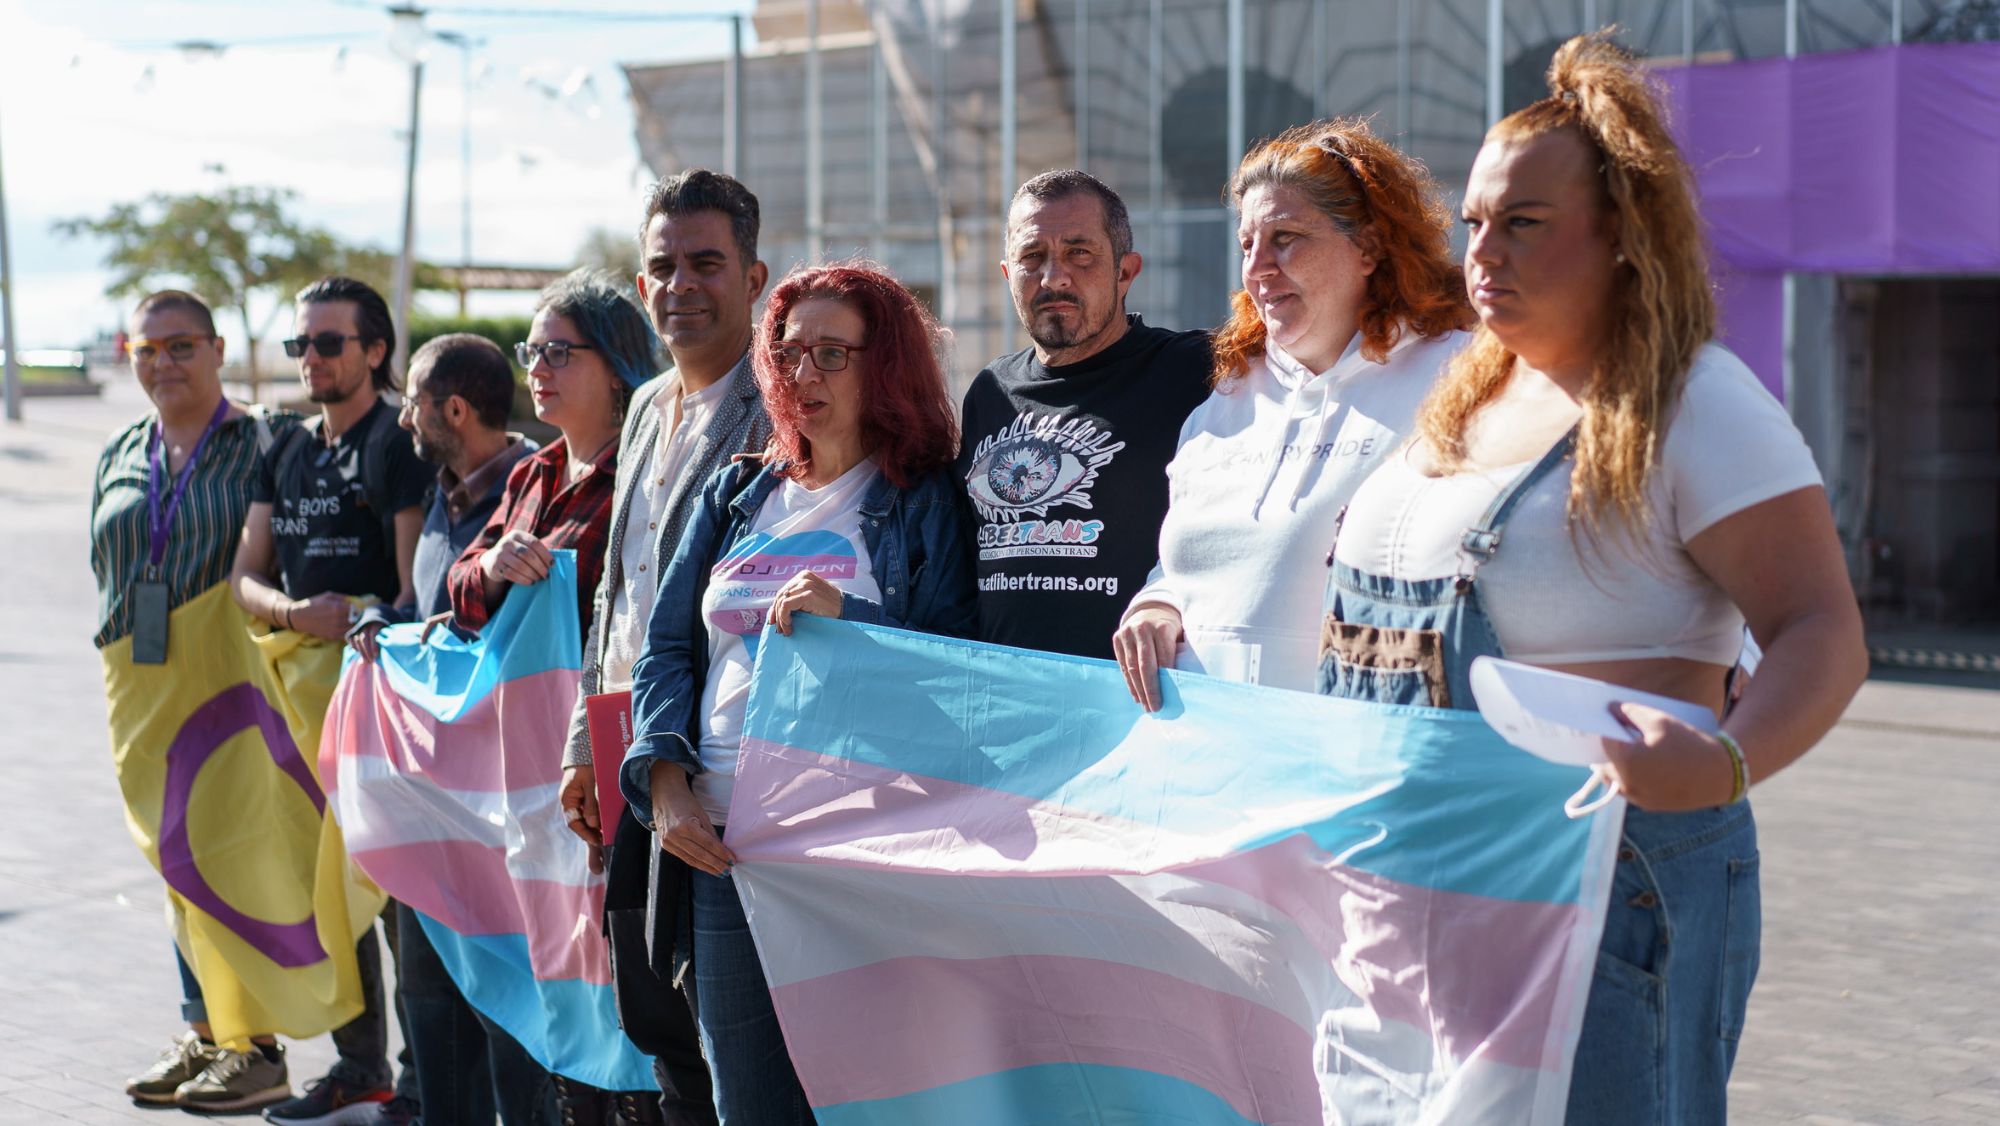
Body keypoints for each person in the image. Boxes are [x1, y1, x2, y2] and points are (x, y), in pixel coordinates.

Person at [1314, 33, 1867, 1121]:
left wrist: (1724, 762)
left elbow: (1820, 629)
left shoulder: (1695, 403)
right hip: (1404, 908)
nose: (1483, 252)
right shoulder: (1460, 399)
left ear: (1620, 235)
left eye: (1522, 222)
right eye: (1471, 222)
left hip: (1594, 901)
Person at [623, 263, 976, 1126]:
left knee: (867, 1103)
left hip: (854, 849)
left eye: (832, 354)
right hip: (723, 846)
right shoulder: (736, 491)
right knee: (748, 1104)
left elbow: (959, 671)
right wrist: (667, 789)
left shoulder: (922, 499)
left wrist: (849, 621)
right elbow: (666, 647)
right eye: (786, 356)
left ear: (883, 364)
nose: (802, 376)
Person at [1113, 121, 1475, 705]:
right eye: (1247, 246)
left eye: (1286, 238)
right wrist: (1159, 603)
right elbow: (1189, 568)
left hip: (1355, 767)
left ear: (1370, 246)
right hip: (1210, 769)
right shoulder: (1223, 402)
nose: (1258, 268)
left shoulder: (1458, 376)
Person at [556, 170, 773, 1126]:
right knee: (654, 1019)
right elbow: (618, 590)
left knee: (729, 1039)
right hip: (626, 750)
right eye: (663, 267)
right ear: (642, 289)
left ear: (754, 276)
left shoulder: (783, 409)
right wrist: (581, 745)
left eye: (705, 263)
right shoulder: (644, 407)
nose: (681, 283)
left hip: (719, 774)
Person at [444, 269, 661, 1126]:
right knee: (560, 969)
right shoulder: (532, 475)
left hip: (609, 757)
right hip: (530, 775)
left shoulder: (643, 469)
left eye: (558, 353)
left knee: (624, 975)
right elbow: (459, 588)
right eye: (531, 351)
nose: (537, 368)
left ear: (615, 366)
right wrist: (490, 569)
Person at [227, 275, 429, 1126]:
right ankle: (358, 1067)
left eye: (327, 343)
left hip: (382, 702)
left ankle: (423, 1080)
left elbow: (416, 587)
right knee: (324, 885)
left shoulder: (400, 442)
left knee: (393, 889)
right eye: (298, 345)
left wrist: (361, 623)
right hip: (298, 701)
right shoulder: (287, 447)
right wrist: (291, 612)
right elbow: (245, 576)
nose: (309, 358)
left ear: (375, 352)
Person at [93, 290, 300, 1114]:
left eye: (180, 346)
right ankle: (208, 1030)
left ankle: (257, 1048)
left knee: (227, 861)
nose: (163, 364)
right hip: (141, 685)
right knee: (174, 866)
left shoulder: (263, 443)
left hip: (229, 688)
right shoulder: (121, 448)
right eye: (146, 350)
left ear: (217, 349)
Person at [352, 332, 551, 1126]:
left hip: (499, 808)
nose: (404, 421)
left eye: (416, 407)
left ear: (456, 410)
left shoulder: (532, 494)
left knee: (506, 1005)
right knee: (428, 995)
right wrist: (383, 619)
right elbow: (420, 607)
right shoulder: (442, 492)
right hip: (427, 802)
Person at [957, 170, 1212, 659]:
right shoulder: (989, 392)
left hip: (1137, 706)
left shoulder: (1195, 370)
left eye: (1079, 252)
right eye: (1032, 257)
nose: (1053, 277)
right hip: (1007, 706)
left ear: (1125, 272)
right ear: (1009, 275)